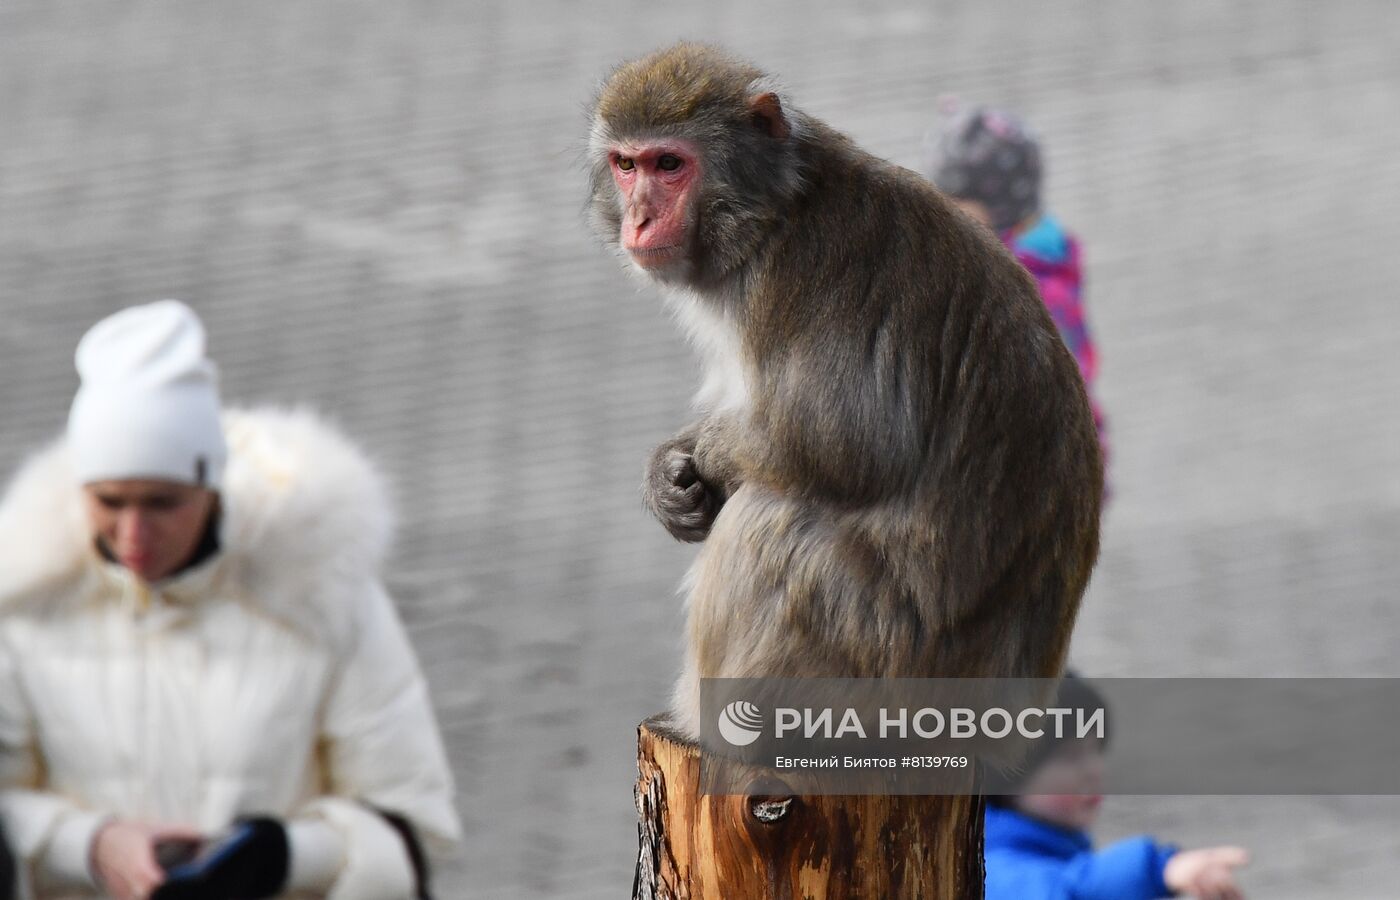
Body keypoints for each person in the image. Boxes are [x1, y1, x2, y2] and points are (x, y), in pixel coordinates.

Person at [0, 301, 461, 899]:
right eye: (110, 503)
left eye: (163, 503)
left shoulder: (320, 593)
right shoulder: (24, 604)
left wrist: (280, 855)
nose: (134, 534)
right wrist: (90, 846)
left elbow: (410, 827)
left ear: (209, 487)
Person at [923, 102, 1110, 485]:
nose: (941, 215)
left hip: (1038, 477)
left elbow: (1052, 403)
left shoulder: (1034, 292)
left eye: (956, 203)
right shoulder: (1002, 260)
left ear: (999, 207)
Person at [983, 674, 1249, 900]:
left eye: (1096, 750)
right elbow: (1069, 891)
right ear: (1007, 778)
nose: (1094, 771)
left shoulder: (1061, 850)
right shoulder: (987, 868)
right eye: (1070, 756)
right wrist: (1157, 869)